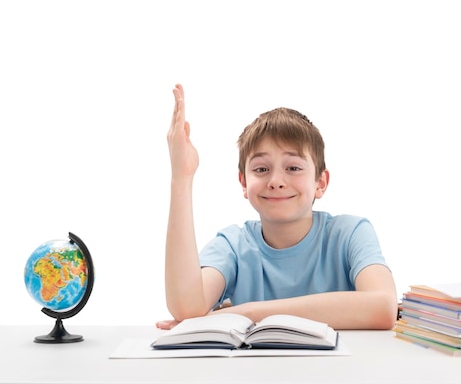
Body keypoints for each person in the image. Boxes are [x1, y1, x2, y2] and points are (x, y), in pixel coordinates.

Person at [156, 83, 397, 331]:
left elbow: (383, 307)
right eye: (261, 169)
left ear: (320, 183)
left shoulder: (350, 232)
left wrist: (246, 312)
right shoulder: (233, 244)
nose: (276, 182)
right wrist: (182, 176)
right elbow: (186, 309)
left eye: (293, 168)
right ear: (244, 182)